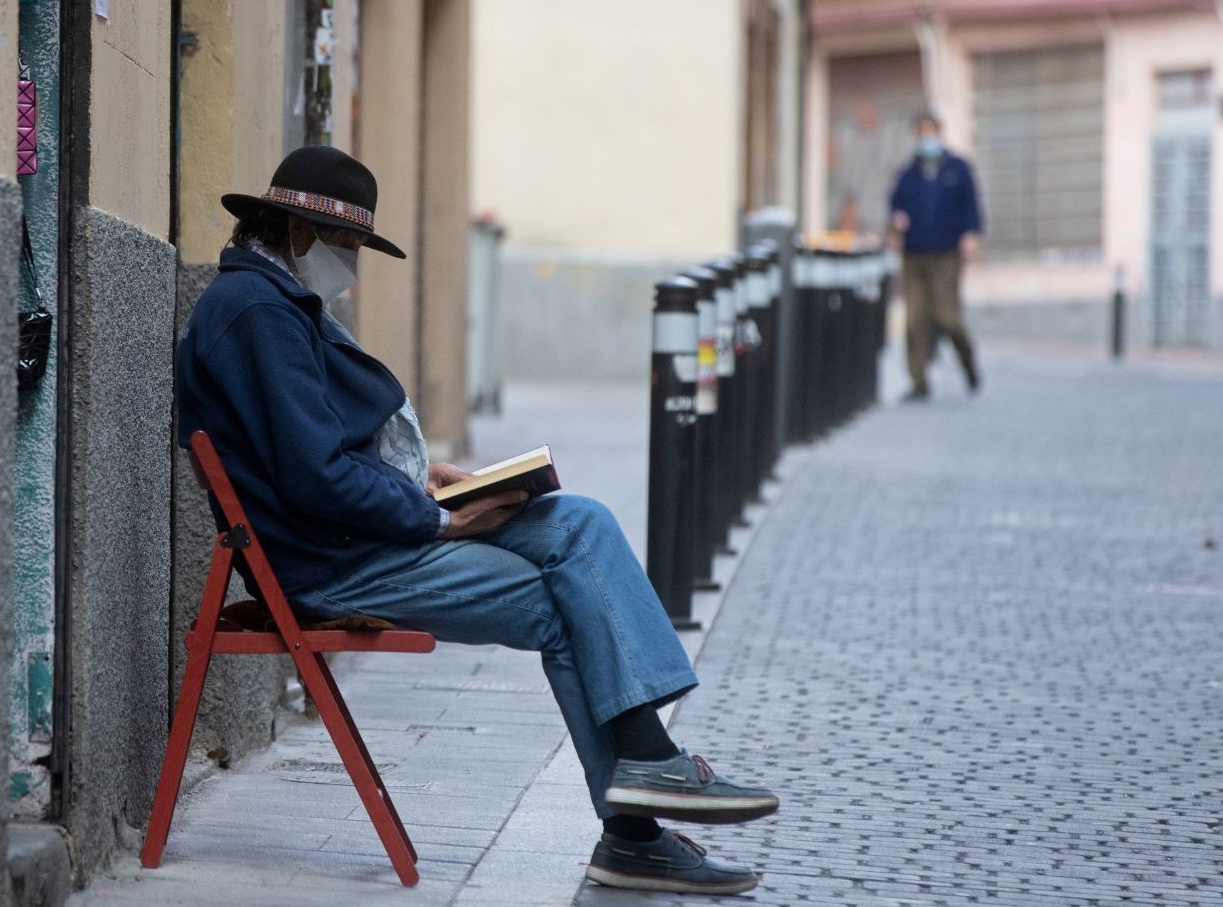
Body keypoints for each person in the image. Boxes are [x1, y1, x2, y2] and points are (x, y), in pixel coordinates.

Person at [175, 145, 779, 896]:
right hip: (338, 563)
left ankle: (648, 772)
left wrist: (419, 480)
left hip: (355, 534)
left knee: (579, 521)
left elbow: (317, 453)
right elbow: (314, 477)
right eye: (348, 246)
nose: (352, 267)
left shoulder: (265, 300)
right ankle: (635, 825)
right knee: (563, 600)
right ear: (298, 233)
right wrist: (434, 518)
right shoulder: (259, 314)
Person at [889, 111, 983, 400]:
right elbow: (894, 206)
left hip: (947, 254)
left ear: (939, 132)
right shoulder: (907, 173)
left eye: (930, 131)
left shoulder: (958, 168)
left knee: (946, 317)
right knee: (915, 319)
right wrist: (896, 221)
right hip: (914, 254)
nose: (926, 137)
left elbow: (971, 206)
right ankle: (919, 382)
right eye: (921, 132)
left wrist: (971, 234)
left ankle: (967, 361)